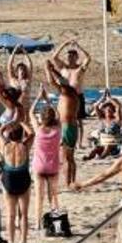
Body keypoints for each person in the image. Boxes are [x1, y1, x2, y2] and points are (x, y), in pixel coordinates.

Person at [0, 120, 34, 243]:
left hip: (9, 180)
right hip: (23, 178)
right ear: (21, 134)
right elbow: (32, 133)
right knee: (24, 214)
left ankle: (11, 240)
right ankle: (23, 240)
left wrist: (9, 123)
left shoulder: (5, 146)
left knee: (10, 214)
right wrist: (22, 122)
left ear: (9, 135)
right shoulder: (25, 145)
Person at [44, 57, 82, 188]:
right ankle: (71, 181)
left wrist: (51, 69)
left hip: (67, 127)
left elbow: (56, 81)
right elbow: (54, 81)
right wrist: (50, 69)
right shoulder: (69, 93)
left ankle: (68, 183)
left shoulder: (68, 92)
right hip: (69, 126)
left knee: (66, 158)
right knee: (70, 157)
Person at [31, 93, 63, 227]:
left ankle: (38, 223)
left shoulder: (38, 129)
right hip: (53, 166)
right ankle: (55, 222)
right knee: (53, 195)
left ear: (42, 118)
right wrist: (49, 101)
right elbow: (58, 114)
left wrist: (39, 97)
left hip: (39, 166)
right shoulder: (57, 130)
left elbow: (31, 112)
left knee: (39, 196)